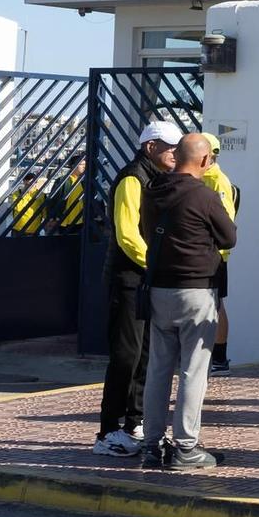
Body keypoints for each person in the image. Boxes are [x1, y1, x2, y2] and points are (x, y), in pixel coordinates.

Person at [138, 133, 236, 471]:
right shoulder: (205, 195)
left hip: (158, 290)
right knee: (194, 371)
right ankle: (186, 448)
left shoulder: (152, 191)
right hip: (196, 290)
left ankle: (151, 445)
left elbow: (146, 230)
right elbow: (229, 237)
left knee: (158, 370)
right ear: (205, 160)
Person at [93, 121, 180, 458]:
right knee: (125, 355)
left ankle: (134, 421)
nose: (174, 153)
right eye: (169, 146)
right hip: (128, 279)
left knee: (146, 353)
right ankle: (108, 430)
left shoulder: (157, 179)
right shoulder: (133, 178)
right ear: (150, 148)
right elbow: (128, 235)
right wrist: (156, 266)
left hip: (145, 279)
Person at [202, 135, 239, 374]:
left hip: (215, 256)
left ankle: (219, 358)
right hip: (206, 254)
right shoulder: (203, 179)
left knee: (215, 305)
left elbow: (225, 221)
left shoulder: (217, 180)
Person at [45, 156, 85, 235]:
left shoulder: (83, 181)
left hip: (79, 221)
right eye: (81, 164)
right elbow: (53, 199)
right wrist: (52, 217)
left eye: (85, 164)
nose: (84, 166)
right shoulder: (63, 180)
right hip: (63, 221)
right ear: (73, 166)